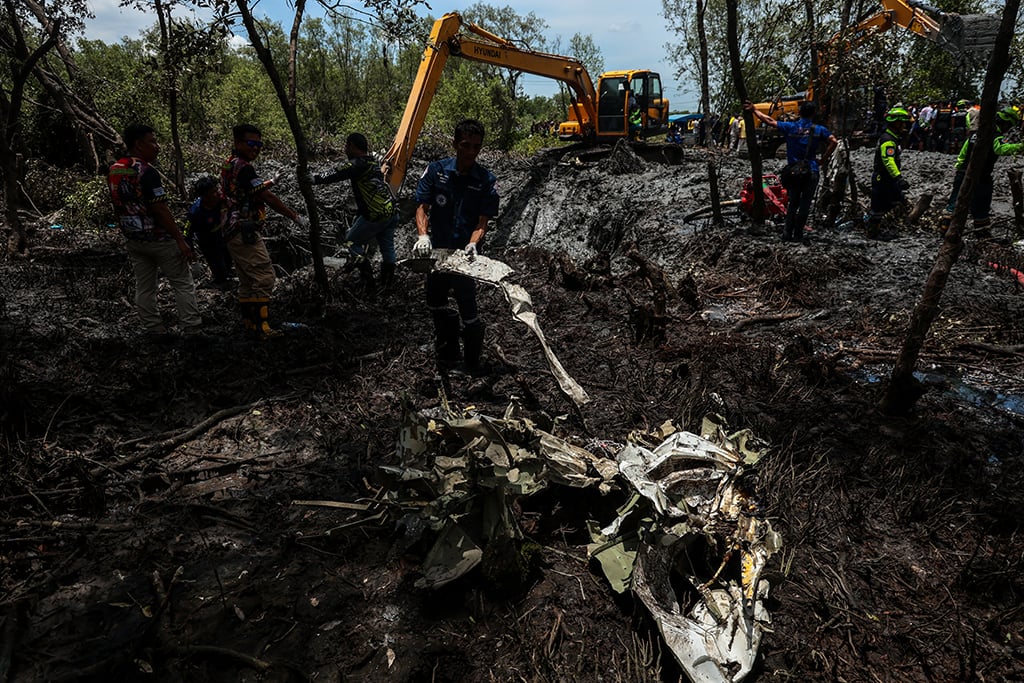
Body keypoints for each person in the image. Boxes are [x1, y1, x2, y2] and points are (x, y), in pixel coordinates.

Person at [413, 119, 500, 375]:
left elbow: (482, 221)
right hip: (437, 251)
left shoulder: (486, 180)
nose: (471, 152)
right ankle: (447, 352)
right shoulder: (436, 171)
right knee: (436, 302)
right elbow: (422, 206)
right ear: (455, 144)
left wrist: (473, 244)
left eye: (476, 146)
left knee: (467, 306)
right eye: (465, 145)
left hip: (464, 256)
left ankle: (472, 364)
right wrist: (422, 236)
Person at [108, 123, 202, 338]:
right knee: (182, 282)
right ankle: (192, 328)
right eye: (152, 141)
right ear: (139, 145)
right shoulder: (146, 171)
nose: (157, 147)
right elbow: (160, 209)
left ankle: (152, 327)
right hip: (158, 238)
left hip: (134, 239)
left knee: (145, 285)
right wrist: (180, 240)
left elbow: (117, 204)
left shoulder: (115, 170)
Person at [221, 123, 308, 338]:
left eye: (259, 144)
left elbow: (253, 188)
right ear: (238, 142)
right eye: (251, 143)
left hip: (231, 228)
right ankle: (263, 328)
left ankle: (250, 324)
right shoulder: (245, 167)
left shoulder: (230, 164)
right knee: (264, 276)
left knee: (247, 280)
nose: (256, 148)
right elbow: (265, 196)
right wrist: (294, 216)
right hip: (244, 229)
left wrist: (272, 181)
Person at [311, 133, 399, 290]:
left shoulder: (357, 164)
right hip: (390, 212)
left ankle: (369, 282)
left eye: (346, 146)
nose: (345, 149)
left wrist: (314, 179)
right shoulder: (373, 163)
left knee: (351, 242)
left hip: (375, 215)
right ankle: (387, 286)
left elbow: (337, 173)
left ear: (351, 145)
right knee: (388, 249)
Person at [746, 100, 838, 242]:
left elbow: (770, 121)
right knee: (805, 204)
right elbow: (834, 141)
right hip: (811, 170)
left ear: (800, 113)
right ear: (813, 114)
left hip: (794, 172)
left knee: (793, 203)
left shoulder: (791, 127)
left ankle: (787, 233)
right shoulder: (819, 129)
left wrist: (754, 110)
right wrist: (823, 159)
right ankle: (798, 234)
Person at [943, 105, 1024, 237]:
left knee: (955, 201)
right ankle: (981, 233)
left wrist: (959, 168)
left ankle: (946, 228)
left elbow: (963, 152)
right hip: (981, 175)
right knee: (981, 203)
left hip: (963, 171)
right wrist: (1020, 147)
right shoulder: (995, 135)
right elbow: (1000, 149)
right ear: (1005, 124)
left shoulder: (976, 133)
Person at [867, 107, 913, 241]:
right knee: (878, 206)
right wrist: (898, 177)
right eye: (902, 123)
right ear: (896, 123)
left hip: (887, 179)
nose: (904, 126)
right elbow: (888, 161)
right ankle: (873, 233)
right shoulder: (888, 140)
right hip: (883, 178)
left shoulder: (891, 138)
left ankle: (882, 228)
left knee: (893, 201)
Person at [183, 175, 235, 290]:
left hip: (222, 235)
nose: (217, 193)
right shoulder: (196, 211)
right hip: (207, 240)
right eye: (213, 192)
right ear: (204, 196)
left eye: (217, 190)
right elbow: (187, 231)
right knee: (216, 262)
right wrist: (190, 252)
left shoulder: (222, 199)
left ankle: (227, 274)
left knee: (227, 257)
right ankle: (220, 281)